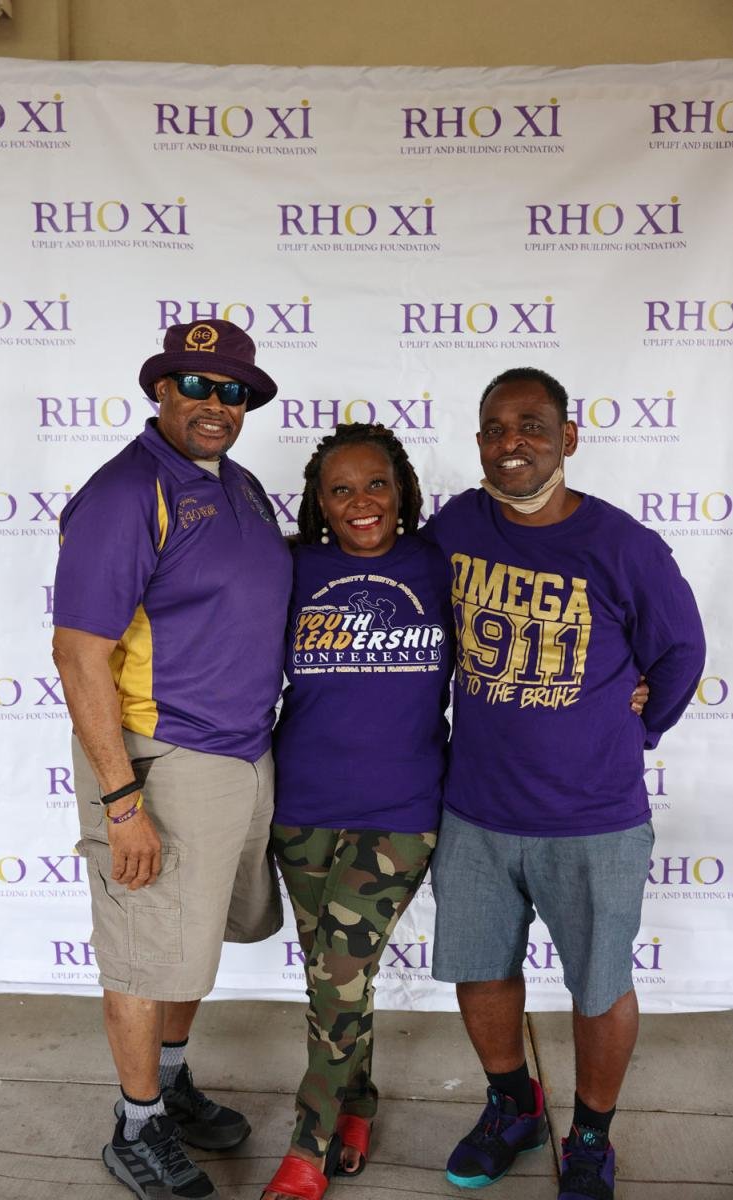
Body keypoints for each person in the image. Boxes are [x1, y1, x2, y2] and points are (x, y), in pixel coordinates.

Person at [425, 367, 705, 1200]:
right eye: (494, 428)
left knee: (599, 984)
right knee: (480, 971)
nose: (510, 443)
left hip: (593, 816)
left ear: (567, 438)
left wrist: (637, 726)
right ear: (479, 442)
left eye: (531, 426)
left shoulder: (623, 545)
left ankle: (588, 1136)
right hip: (475, 809)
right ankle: (512, 1106)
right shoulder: (456, 525)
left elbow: (680, 651)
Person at [52, 319, 293, 1200]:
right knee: (142, 952)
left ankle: (171, 1080)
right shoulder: (128, 492)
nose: (214, 404)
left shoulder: (241, 484)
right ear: (161, 390)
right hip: (160, 758)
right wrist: (122, 802)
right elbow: (78, 654)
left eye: (232, 391)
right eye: (195, 385)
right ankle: (135, 1125)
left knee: (188, 948)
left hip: (242, 752)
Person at [261, 423, 454, 1200]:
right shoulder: (290, 567)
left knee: (337, 975)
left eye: (375, 483)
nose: (360, 502)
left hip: (401, 809)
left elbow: (520, 637)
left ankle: (307, 1145)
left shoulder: (440, 564)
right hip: (301, 805)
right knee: (334, 980)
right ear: (319, 502)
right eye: (339, 490)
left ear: (401, 489)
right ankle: (357, 1104)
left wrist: (624, 683)